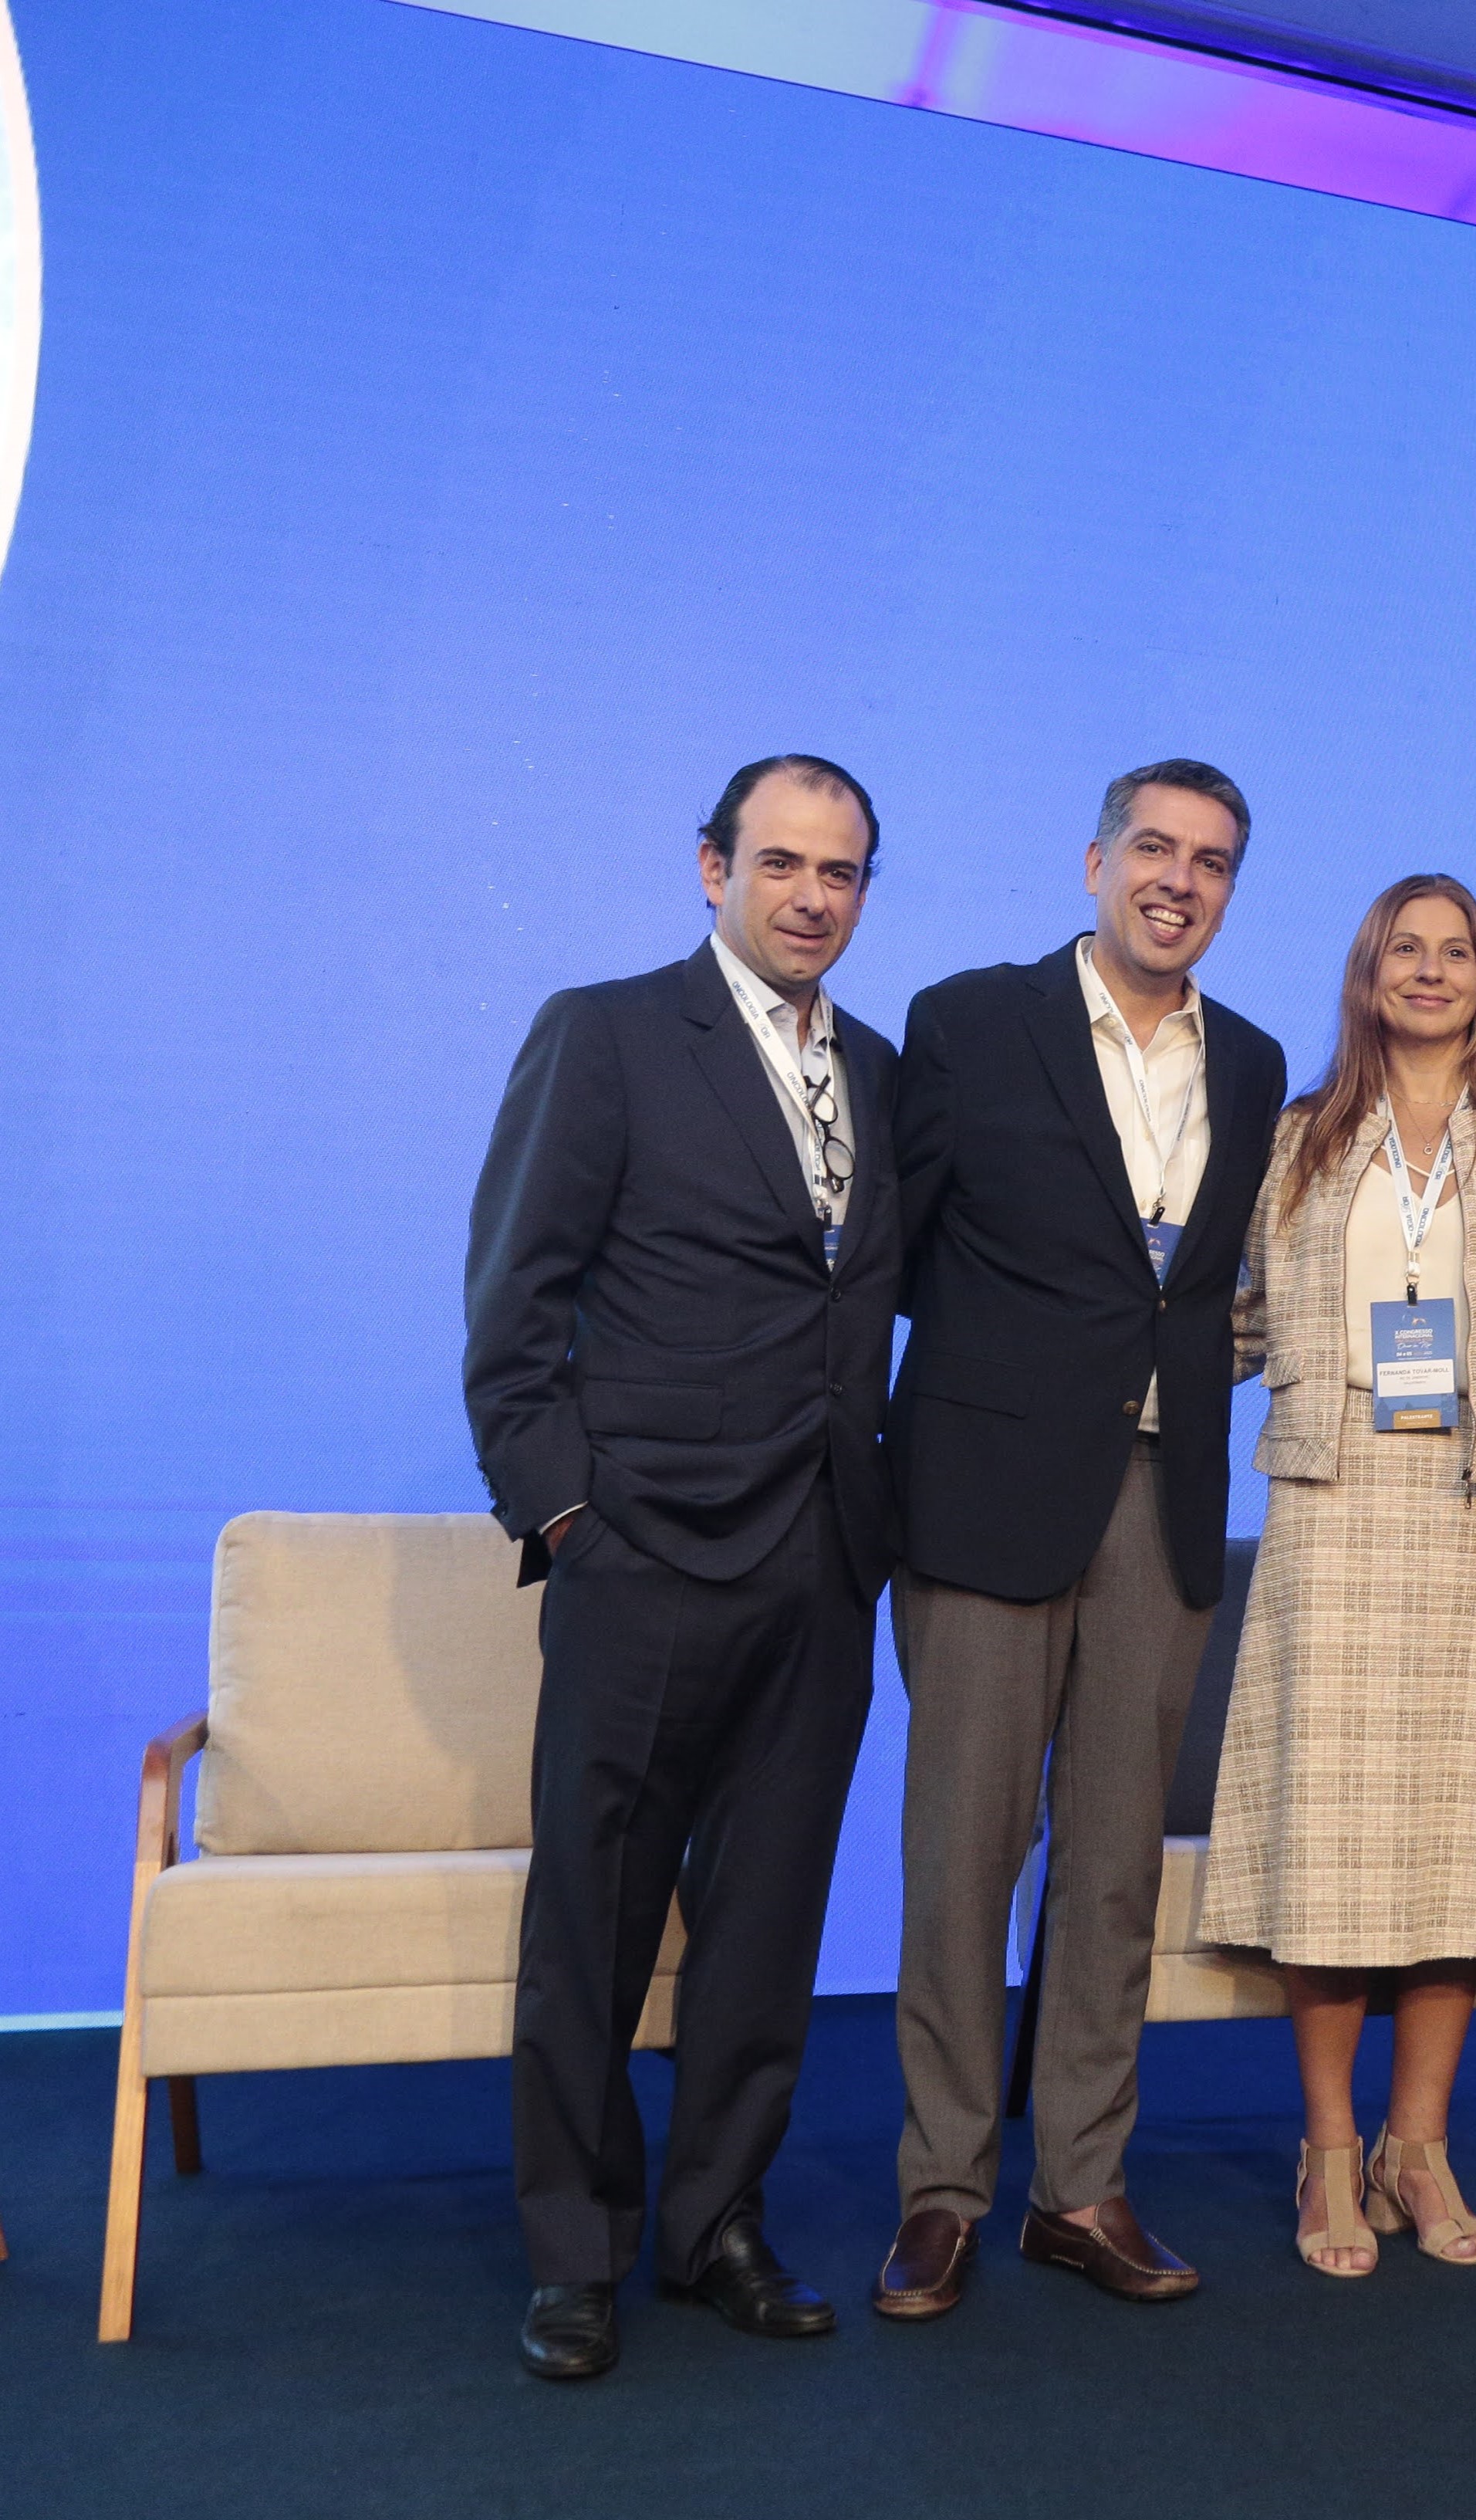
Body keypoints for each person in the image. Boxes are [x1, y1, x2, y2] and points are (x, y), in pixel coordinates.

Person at [463, 756, 899, 2380]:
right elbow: (515, 1304)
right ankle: (573, 2253)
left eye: (838, 872)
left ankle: (717, 2222)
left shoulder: (883, 1071)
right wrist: (565, 1516)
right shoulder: (608, 1034)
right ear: (711, 867)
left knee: (768, 1921)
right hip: (643, 1551)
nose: (809, 895)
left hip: (822, 1557)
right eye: (779, 862)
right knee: (593, 1919)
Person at [873, 761, 1285, 2320]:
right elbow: (899, 1255)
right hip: (985, 1489)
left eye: (1211, 861)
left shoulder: (1252, 1060)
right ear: (1094, 861)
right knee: (961, 1860)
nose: (1179, 879)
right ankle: (940, 2192)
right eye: (1154, 849)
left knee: (1112, 1867)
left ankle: (1081, 2189)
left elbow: (1208, 1282)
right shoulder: (970, 1020)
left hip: (1162, 1499)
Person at [1200, 874, 1476, 2277]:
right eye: (1404, 949)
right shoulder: (1296, 1134)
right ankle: (1329, 2149)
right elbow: (1232, 1320)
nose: (1429, 972)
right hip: (1332, 1507)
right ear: (1366, 970)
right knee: (1333, 1849)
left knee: (1458, 1849)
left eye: (1455, 953)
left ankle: (1416, 2145)